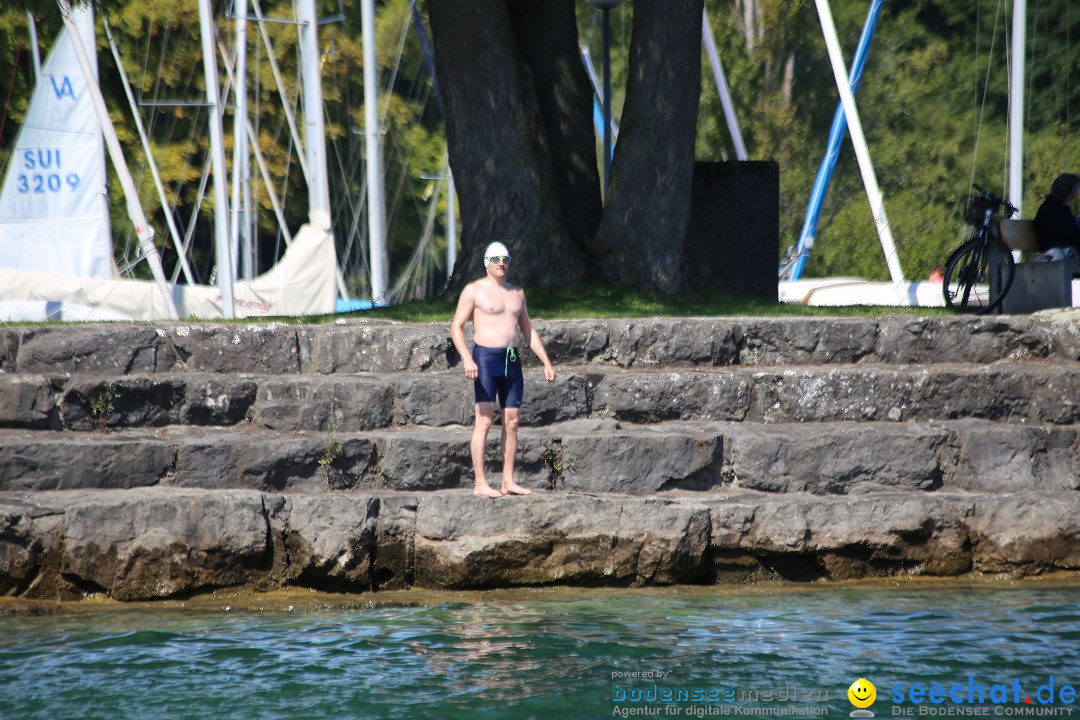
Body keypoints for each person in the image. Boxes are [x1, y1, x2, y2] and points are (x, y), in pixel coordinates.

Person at [450, 241, 556, 498]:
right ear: (487, 262)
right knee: (485, 420)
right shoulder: (474, 291)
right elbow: (456, 327)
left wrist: (546, 362)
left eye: (506, 259)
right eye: (496, 259)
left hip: (511, 360)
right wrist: (467, 359)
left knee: (512, 421)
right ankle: (480, 483)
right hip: (485, 359)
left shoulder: (517, 293)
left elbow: (528, 331)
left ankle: (508, 480)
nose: (501, 263)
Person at [1032, 173, 1080, 255]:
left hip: (1065, 249)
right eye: (1076, 189)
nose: (1076, 193)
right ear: (1067, 190)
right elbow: (1067, 233)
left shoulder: (1061, 209)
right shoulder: (1050, 209)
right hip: (1057, 251)